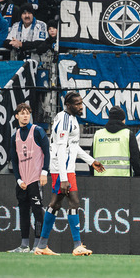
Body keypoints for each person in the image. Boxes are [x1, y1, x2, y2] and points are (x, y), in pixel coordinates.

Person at [34, 92, 106, 256]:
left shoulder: (71, 119)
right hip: (63, 169)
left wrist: (90, 161)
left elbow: (72, 146)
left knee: (55, 204)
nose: (81, 106)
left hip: (65, 168)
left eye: (81, 103)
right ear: (68, 105)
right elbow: (60, 149)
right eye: (77, 104)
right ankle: (77, 245)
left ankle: (42, 245)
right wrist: (64, 178)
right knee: (73, 202)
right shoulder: (65, 121)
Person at [8, 103, 50, 253]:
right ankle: (24, 245)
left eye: (27, 113)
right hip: (23, 182)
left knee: (38, 212)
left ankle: (38, 245)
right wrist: (19, 180)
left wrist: (44, 172)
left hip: (35, 179)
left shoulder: (37, 131)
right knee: (23, 212)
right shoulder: (15, 136)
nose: (25, 116)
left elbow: (47, 152)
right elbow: (14, 160)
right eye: (22, 113)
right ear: (17, 116)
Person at [92, 106, 140, 177]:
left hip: (99, 179)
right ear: (123, 120)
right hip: (123, 179)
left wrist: (92, 177)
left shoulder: (98, 135)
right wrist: (139, 176)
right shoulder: (128, 134)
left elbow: (90, 159)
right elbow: (135, 159)